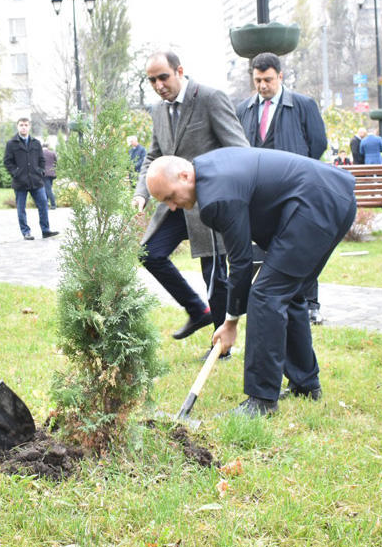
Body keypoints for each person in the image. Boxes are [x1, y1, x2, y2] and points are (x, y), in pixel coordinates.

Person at [145, 150, 356, 417]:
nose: (172, 207)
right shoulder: (209, 172)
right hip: (328, 198)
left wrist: (230, 322)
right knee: (286, 293)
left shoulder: (215, 197)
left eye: (170, 197)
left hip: (318, 204)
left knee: (266, 295)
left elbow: (241, 261)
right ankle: (305, 384)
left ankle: (262, 400)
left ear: (185, 175)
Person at [133, 51, 248, 348]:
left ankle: (221, 348)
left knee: (215, 275)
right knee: (150, 254)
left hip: (209, 202)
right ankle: (198, 311)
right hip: (174, 202)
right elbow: (154, 155)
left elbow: (239, 150)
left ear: (179, 71)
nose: (158, 85)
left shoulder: (210, 98)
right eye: (152, 80)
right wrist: (141, 194)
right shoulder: (158, 110)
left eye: (163, 77)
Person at [237, 52, 328, 325]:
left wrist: (301, 174)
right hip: (259, 194)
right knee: (267, 248)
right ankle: (274, 300)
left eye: (267, 79)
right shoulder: (244, 109)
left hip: (295, 190)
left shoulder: (303, 105)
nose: (262, 86)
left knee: (303, 247)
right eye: (257, 80)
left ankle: (310, 303)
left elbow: (318, 143)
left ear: (280, 76)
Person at [3, 117, 57, 240]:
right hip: (20, 182)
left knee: (43, 204)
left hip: (36, 181)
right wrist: (15, 173)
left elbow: (41, 159)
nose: (24, 127)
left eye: (26, 125)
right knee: (21, 209)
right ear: (17, 126)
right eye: (21, 125)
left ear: (29, 127)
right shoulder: (11, 143)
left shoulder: (36, 143)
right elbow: (7, 161)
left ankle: (45, 230)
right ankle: (26, 232)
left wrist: (41, 171)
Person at [41, 140, 58, 210]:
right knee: (47, 188)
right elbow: (56, 162)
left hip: (44, 173)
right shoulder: (52, 153)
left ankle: (53, 204)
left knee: (48, 189)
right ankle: (46, 204)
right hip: (52, 173)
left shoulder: (40, 154)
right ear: (48, 147)